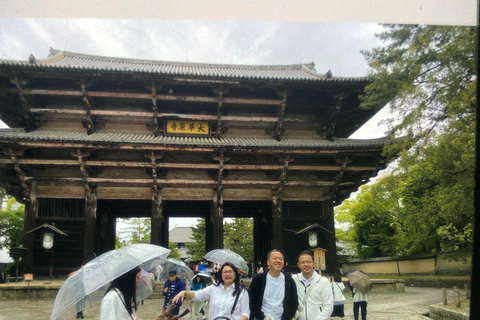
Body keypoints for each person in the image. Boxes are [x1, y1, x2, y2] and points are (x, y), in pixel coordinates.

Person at [172, 262, 250, 320]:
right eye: (225, 272)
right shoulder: (213, 289)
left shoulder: (242, 293)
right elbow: (198, 295)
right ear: (221, 274)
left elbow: (245, 313)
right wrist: (184, 292)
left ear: (235, 274)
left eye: (230, 272)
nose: (227, 274)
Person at [248, 249, 298, 320]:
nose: (278, 261)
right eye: (275, 258)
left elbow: (293, 304)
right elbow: (252, 301)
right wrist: (262, 317)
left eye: (280, 259)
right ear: (268, 262)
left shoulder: (289, 281)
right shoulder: (259, 279)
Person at [291, 250, 333, 320]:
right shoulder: (294, 280)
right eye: (303, 262)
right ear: (299, 265)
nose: (306, 264)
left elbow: (328, 306)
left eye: (308, 262)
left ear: (313, 263)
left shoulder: (323, 281)